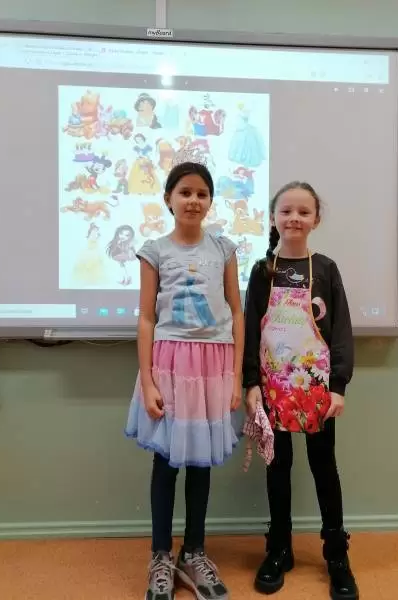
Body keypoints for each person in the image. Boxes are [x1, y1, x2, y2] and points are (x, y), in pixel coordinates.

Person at [125, 160, 244, 600]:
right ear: (169, 199)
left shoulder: (224, 249)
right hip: (169, 364)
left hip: (214, 366)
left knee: (200, 460)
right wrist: (148, 380)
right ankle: (160, 555)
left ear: (210, 201)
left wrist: (236, 377)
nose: (193, 200)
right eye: (185, 192)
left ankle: (194, 552)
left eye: (202, 193)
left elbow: (236, 311)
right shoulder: (154, 251)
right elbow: (146, 317)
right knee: (166, 461)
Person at [243, 181, 359, 600]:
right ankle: (279, 548)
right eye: (286, 211)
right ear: (274, 218)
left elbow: (341, 330)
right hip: (273, 387)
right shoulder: (263, 271)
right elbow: (249, 329)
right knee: (278, 467)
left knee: (323, 466)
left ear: (316, 220)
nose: (294, 218)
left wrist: (338, 386)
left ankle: (336, 555)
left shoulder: (325, 269)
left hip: (316, 388)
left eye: (303, 212)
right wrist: (251, 383)